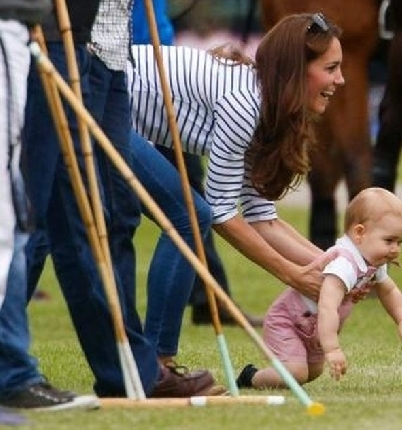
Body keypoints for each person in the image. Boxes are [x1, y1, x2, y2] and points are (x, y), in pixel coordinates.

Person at [21, 0, 223, 397]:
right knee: (61, 215)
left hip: (115, 56)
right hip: (72, 45)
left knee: (116, 216)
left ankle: (132, 369)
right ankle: (122, 369)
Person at [125, 12, 350, 358]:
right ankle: (158, 360)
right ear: (295, 71)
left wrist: (335, 268)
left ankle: (157, 359)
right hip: (105, 104)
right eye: (331, 68)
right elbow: (223, 213)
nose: (342, 80)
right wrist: (294, 276)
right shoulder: (245, 106)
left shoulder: (266, 105)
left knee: (191, 216)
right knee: (193, 216)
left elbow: (264, 218)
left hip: (120, 111)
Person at [130, 0, 262, 327]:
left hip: (168, 76)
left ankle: (208, 297)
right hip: (134, 80)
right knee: (179, 209)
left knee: (191, 207)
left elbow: (259, 212)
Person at [0, 0, 99, 412]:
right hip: (10, 26)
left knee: (14, 220)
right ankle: (14, 375)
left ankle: (14, 373)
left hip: (24, 30)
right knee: (10, 221)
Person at [234, 187, 402, 388]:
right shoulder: (344, 263)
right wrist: (332, 349)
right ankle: (250, 378)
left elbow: (389, 290)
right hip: (289, 320)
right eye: (389, 241)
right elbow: (328, 307)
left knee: (313, 372)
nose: (395, 249)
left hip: (315, 326)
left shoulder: (373, 261)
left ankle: (264, 377)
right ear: (360, 233)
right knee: (296, 373)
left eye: (400, 242)